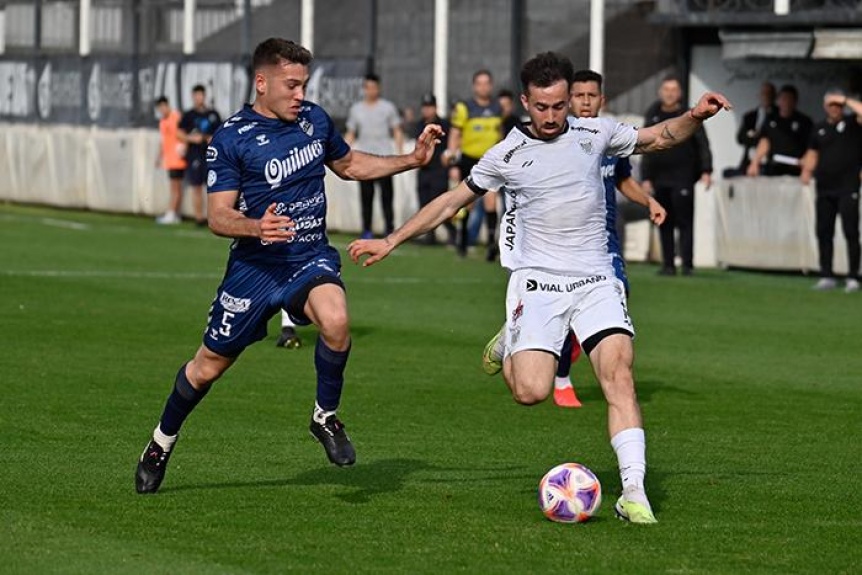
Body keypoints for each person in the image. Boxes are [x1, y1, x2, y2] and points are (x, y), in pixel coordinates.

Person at [348, 51, 731, 524]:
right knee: (530, 392)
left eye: (560, 106)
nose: (552, 117)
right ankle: (511, 336)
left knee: (619, 375)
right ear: (526, 101)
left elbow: (659, 137)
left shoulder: (598, 133)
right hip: (539, 281)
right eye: (542, 107)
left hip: (596, 278)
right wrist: (392, 239)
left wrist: (694, 115)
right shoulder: (506, 155)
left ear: (570, 99)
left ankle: (633, 490)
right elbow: (450, 203)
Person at [134, 38, 443, 494]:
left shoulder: (314, 120)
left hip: (307, 256)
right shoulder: (232, 137)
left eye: (304, 84)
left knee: (336, 319)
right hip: (254, 269)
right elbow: (218, 216)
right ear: (262, 83)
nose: (301, 94)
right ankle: (161, 442)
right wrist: (256, 226)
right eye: (291, 85)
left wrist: (413, 160)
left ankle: (325, 417)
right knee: (207, 367)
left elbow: (351, 164)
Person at [554, 69, 668, 409]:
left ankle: (581, 349)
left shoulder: (610, 138)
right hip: (567, 243)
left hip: (606, 240)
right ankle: (562, 379)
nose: (585, 102)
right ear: (569, 100)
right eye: (579, 95)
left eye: (592, 95)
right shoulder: (558, 139)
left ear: (602, 100)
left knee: (619, 296)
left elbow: (622, 180)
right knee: (567, 310)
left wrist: (648, 201)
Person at [641, 75, 713, 276]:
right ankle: (668, 264)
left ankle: (688, 265)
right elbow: (644, 145)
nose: (670, 93)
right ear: (660, 92)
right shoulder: (653, 113)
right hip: (660, 178)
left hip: (683, 176)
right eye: (667, 89)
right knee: (663, 220)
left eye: (674, 90)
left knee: (685, 222)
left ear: (679, 93)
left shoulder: (688, 115)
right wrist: (646, 177)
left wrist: (706, 170)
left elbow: (702, 144)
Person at [801, 90, 862, 293]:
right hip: (825, 187)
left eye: (838, 105)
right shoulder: (819, 128)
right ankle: (826, 274)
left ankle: (853, 276)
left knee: (851, 231)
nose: (834, 108)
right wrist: (807, 170)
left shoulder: (853, 124)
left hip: (848, 186)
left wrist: (844, 99)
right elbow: (812, 152)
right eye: (831, 105)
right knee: (824, 231)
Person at [445, 70, 503, 259]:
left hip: (491, 160)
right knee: (466, 202)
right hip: (469, 160)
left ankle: (491, 244)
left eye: (487, 83)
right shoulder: (464, 108)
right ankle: (462, 239)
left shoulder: (497, 107)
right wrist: (452, 159)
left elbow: (501, 134)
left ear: (491, 85)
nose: (483, 87)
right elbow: (455, 134)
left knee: (491, 200)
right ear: (474, 86)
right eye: (480, 83)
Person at [345, 73, 404, 239]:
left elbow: (397, 130)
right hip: (364, 160)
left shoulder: (387, 108)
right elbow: (351, 133)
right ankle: (367, 230)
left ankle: (389, 229)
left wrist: (399, 154)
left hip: (384, 159)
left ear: (378, 88)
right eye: (368, 87)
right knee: (366, 197)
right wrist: (342, 152)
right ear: (364, 89)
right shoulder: (356, 109)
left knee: (387, 197)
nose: (371, 91)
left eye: (374, 87)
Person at [178, 84, 222, 226]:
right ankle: (199, 217)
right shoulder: (189, 115)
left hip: (211, 155)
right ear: (193, 97)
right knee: (196, 186)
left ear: (204, 96)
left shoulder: (213, 114)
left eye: (201, 95)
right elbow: (179, 133)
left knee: (213, 187)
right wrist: (191, 138)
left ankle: (214, 217)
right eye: (196, 95)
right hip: (195, 154)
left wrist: (212, 139)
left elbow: (222, 132)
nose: (199, 98)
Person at [414, 93, 454, 245]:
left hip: (439, 170)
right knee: (424, 204)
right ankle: (429, 236)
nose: (427, 110)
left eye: (430, 107)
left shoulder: (444, 125)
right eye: (425, 107)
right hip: (424, 170)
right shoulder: (420, 125)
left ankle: (453, 232)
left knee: (439, 205)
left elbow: (452, 143)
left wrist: (450, 159)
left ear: (435, 108)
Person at [747, 84, 813, 178]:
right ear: (778, 100)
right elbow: (764, 142)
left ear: (795, 101)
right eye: (783, 99)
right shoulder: (771, 120)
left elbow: (812, 147)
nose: (786, 102)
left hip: (796, 169)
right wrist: (755, 162)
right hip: (774, 168)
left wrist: (807, 165)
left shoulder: (805, 122)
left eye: (789, 99)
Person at [154, 96, 188, 225]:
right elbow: (163, 141)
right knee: (175, 187)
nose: (162, 110)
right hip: (169, 159)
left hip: (178, 158)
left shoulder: (176, 117)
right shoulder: (162, 122)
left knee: (176, 188)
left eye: (164, 106)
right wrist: (159, 157)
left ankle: (172, 213)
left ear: (167, 105)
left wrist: (184, 147)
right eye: (160, 108)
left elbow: (183, 133)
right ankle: (174, 213)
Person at [736, 82, 776, 174]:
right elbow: (740, 138)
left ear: (774, 96)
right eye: (764, 94)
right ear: (759, 96)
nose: (766, 96)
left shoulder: (779, 116)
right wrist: (756, 138)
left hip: (770, 163)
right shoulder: (750, 116)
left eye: (769, 94)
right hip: (749, 160)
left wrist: (759, 137)